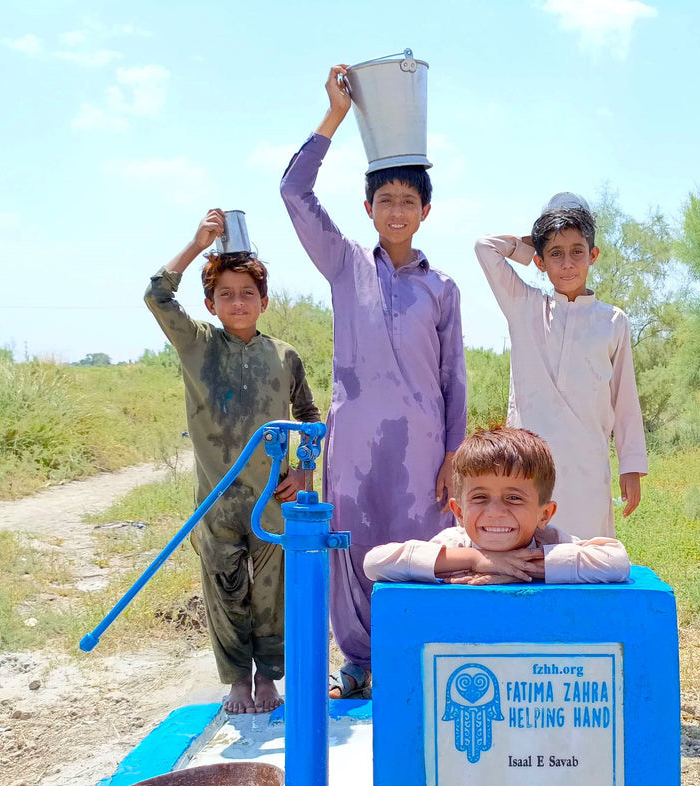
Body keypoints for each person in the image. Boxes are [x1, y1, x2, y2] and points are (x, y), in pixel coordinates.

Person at [281, 64, 467, 699]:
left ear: (425, 211)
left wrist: (453, 456)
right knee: (354, 547)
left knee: (420, 546)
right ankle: (357, 664)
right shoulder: (343, 265)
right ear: (367, 207)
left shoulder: (441, 288)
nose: (396, 210)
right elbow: (294, 194)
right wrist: (332, 117)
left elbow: (453, 379)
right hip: (355, 441)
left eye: (408, 201)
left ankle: (415, 655)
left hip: (421, 447)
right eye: (384, 200)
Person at [144, 209, 321, 714]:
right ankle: (237, 682)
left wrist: (304, 469)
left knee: (270, 595)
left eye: (248, 294)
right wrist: (197, 243)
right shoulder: (198, 345)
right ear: (210, 303)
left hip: (270, 501)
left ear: (264, 301)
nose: (238, 302)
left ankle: (269, 677)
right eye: (226, 294)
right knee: (224, 592)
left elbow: (308, 416)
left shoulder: (284, 355)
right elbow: (157, 296)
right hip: (216, 503)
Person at [474, 201, 647, 540]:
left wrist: (631, 466)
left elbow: (624, 399)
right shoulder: (524, 305)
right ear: (540, 261)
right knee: (527, 561)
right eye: (554, 253)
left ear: (593, 256)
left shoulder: (612, 321)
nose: (567, 264)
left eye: (576, 251)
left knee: (585, 564)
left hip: (588, 467)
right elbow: (484, 247)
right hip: (528, 468)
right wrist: (528, 246)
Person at [364, 426, 630, 586]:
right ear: (458, 511)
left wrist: (525, 569)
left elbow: (616, 562)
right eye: (480, 498)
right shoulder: (456, 544)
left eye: (514, 498)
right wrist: (478, 560)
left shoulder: (549, 541)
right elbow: (375, 563)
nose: (495, 512)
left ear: (544, 514)